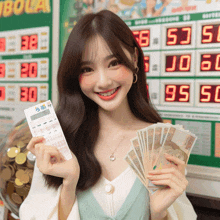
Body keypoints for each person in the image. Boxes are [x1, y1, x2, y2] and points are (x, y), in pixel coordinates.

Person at [19, 10, 197, 220]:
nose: (103, 81)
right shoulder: (60, 140)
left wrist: (159, 214)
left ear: (134, 58)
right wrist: (69, 185)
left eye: (113, 63)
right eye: (87, 69)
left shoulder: (163, 143)